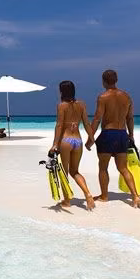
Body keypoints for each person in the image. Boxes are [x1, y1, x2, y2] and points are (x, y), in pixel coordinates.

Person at [86, 69, 140, 208]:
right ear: (116, 80)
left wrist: (90, 138)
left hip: (108, 134)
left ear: (103, 81)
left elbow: (98, 118)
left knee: (103, 167)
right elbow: (130, 118)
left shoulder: (103, 97)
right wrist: (131, 135)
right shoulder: (127, 97)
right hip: (122, 134)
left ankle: (104, 196)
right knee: (123, 168)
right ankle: (135, 196)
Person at [50, 80, 96, 210]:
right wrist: (91, 138)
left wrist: (54, 144)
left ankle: (67, 201)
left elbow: (59, 125)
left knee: (64, 173)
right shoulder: (81, 105)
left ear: (61, 91)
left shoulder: (62, 106)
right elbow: (87, 123)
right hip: (78, 141)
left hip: (66, 140)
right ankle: (87, 194)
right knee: (75, 171)